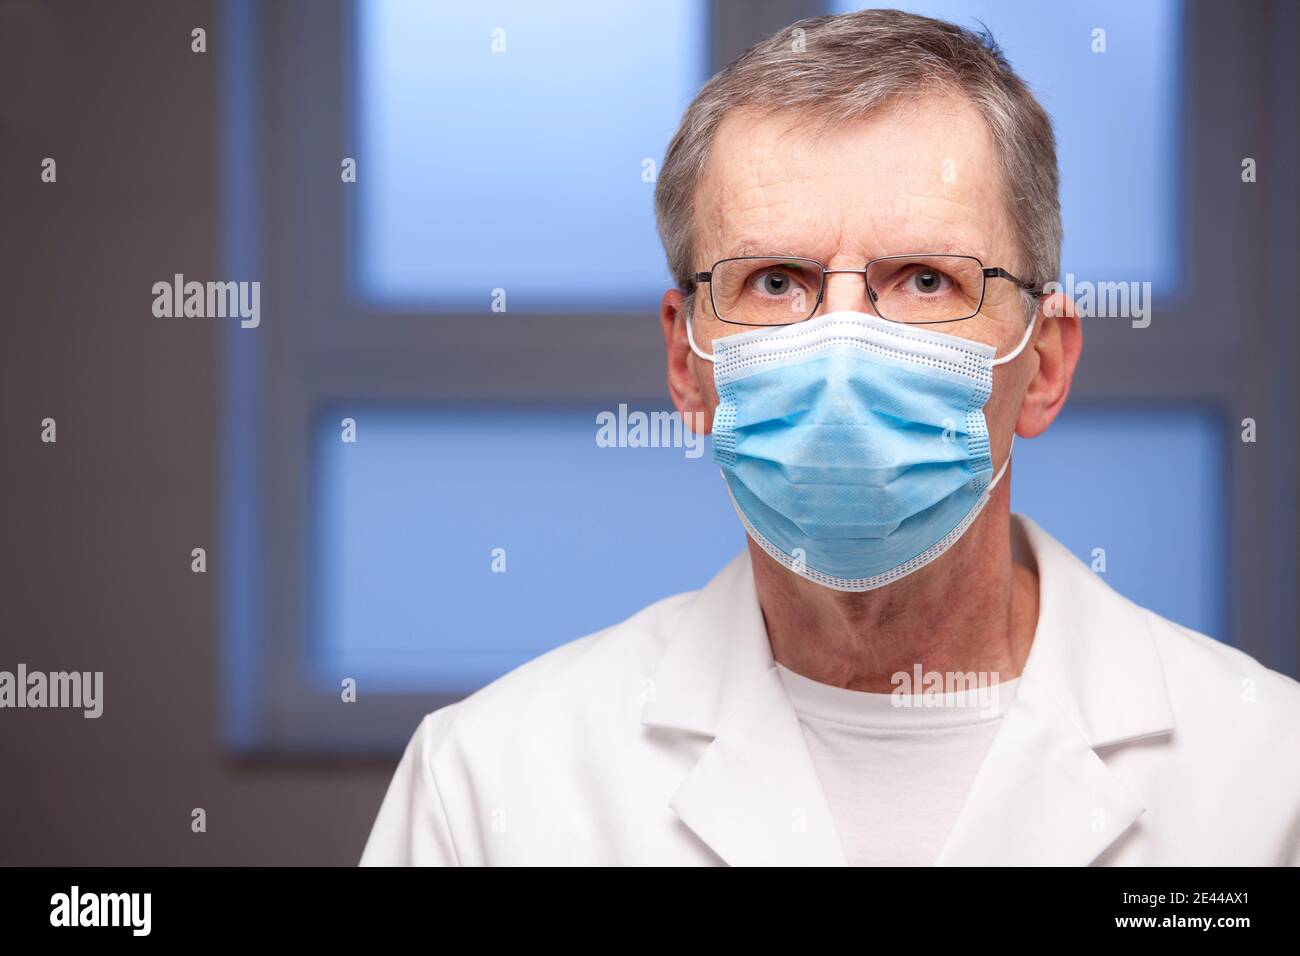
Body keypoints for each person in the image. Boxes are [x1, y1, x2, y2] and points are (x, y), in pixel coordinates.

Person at [360, 8, 1300, 866]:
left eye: (925, 279)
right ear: (688, 364)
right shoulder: (491, 792)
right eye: (774, 281)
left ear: (1043, 364)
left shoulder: (1265, 782)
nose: (843, 348)